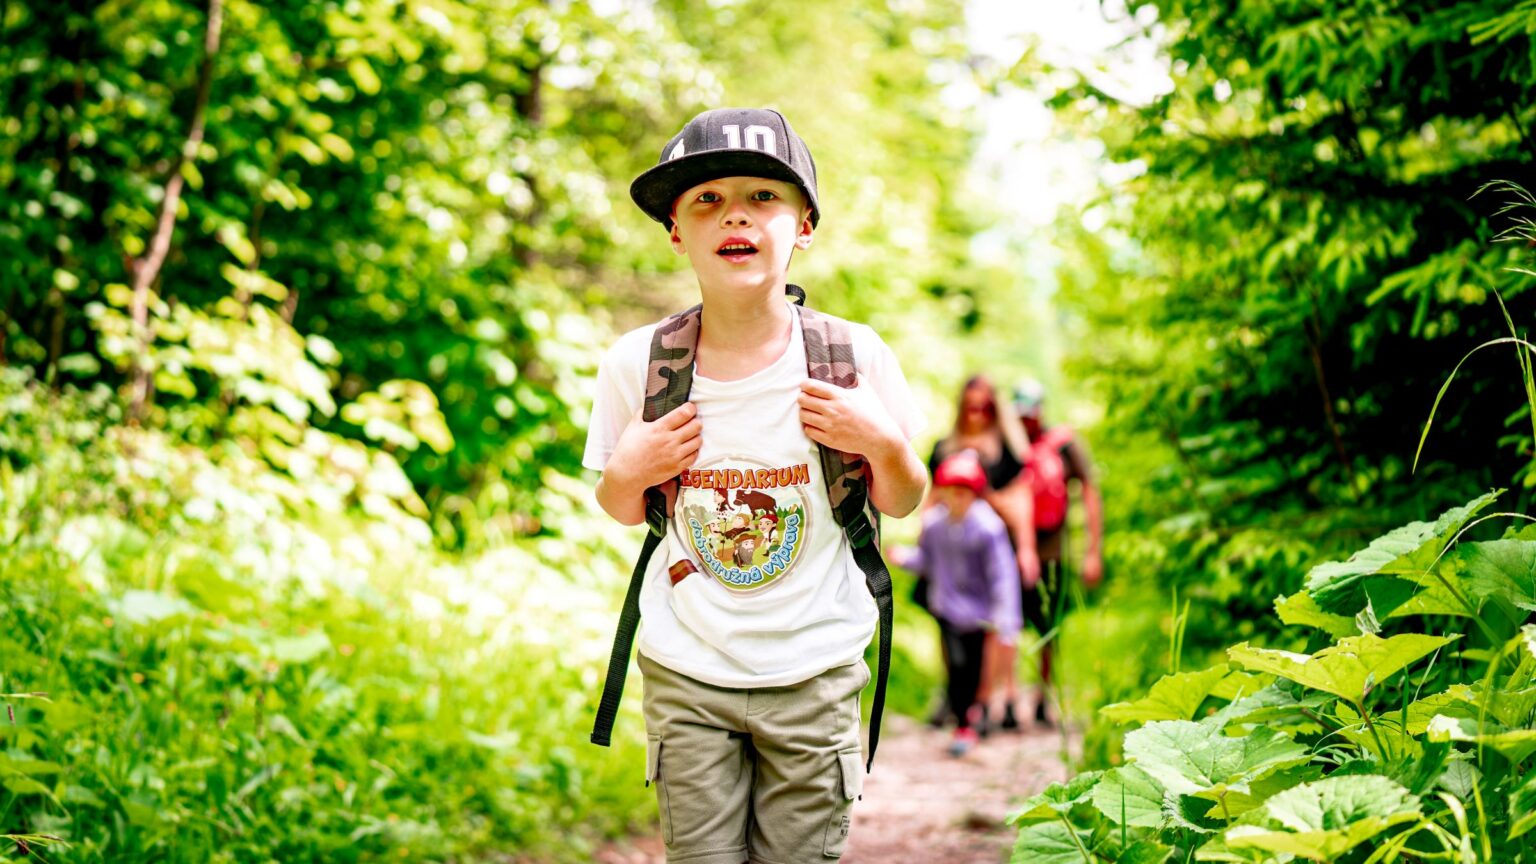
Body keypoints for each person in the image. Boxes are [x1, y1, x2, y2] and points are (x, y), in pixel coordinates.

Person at [583, 107, 927, 863]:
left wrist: (881, 442)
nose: (734, 212)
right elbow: (616, 507)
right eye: (706, 199)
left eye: (763, 196)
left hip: (815, 668)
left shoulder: (853, 358)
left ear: (804, 223)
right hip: (687, 668)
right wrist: (630, 471)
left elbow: (905, 497)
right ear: (676, 230)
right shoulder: (638, 365)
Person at [887, 451, 1021, 757]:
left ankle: (972, 718)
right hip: (946, 607)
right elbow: (928, 561)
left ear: (974, 495)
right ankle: (963, 721)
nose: (957, 499)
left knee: (974, 668)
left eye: (963, 493)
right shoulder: (935, 526)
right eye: (952, 492)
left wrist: (1005, 618)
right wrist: (904, 557)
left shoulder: (988, 528)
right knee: (956, 666)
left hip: (979, 614)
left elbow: (1002, 576)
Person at [926, 375, 1037, 732]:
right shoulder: (945, 447)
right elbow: (931, 499)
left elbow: (1022, 503)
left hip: (994, 546)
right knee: (950, 623)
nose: (976, 413)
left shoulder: (1008, 449)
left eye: (984, 406)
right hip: (953, 549)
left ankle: (994, 696)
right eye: (970, 406)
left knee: (997, 625)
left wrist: (1027, 549)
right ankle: (957, 693)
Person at [1013, 377, 1102, 727]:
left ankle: (1040, 696)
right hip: (1013, 549)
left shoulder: (1064, 444)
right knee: (1008, 625)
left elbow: (1090, 491)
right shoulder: (1010, 443)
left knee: (1049, 628)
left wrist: (1093, 550)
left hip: (1053, 550)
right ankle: (1007, 697)